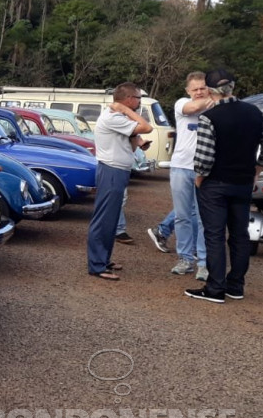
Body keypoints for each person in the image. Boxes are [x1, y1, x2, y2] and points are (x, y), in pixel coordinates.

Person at [184, 69, 263, 303]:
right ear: (233, 87)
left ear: (208, 90)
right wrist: (259, 168)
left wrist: (199, 178)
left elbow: (204, 158)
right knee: (239, 235)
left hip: (215, 184)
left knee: (214, 235)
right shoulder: (255, 113)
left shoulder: (210, 117)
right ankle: (236, 286)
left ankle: (215, 288)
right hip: (243, 183)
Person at [86, 82, 153, 280]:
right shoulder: (113, 116)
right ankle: (97, 265)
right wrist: (124, 110)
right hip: (111, 171)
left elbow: (134, 143)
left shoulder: (120, 118)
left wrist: (136, 137)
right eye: (138, 98)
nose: (140, 102)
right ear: (128, 99)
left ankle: (103, 259)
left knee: (112, 219)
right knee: (104, 219)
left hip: (118, 170)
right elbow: (147, 127)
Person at [165, 72, 212, 280]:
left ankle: (203, 263)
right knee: (182, 216)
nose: (199, 92)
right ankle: (185, 259)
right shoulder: (182, 103)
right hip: (180, 167)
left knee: (204, 218)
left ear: (208, 88)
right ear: (188, 91)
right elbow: (193, 108)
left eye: (203, 88)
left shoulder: (216, 107)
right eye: (195, 89)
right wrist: (215, 98)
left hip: (206, 168)